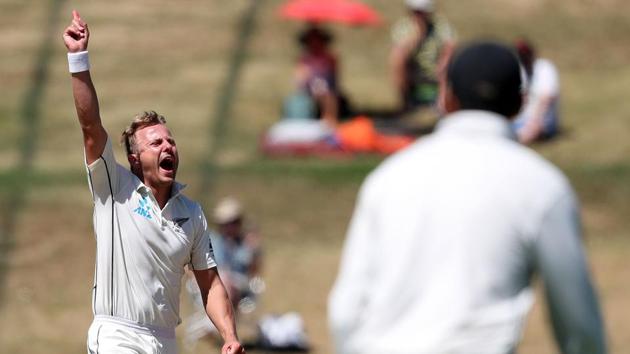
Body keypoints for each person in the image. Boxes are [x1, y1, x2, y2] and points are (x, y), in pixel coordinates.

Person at [328, 41, 607, 354]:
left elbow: (346, 309)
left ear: (447, 99)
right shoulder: (542, 186)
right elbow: (579, 325)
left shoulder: (387, 178)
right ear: (520, 102)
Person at [62, 10, 245, 354]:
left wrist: (229, 336)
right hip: (117, 334)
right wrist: (78, 58)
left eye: (170, 141)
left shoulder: (192, 214)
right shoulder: (114, 187)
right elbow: (90, 127)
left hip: (163, 341)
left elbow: (210, 283)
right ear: (134, 159)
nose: (168, 146)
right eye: (156, 143)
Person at [390, 0, 456, 112]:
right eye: (415, 11)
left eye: (421, 11)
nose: (418, 15)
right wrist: (418, 37)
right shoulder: (403, 27)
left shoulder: (440, 26)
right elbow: (400, 52)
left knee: (447, 62)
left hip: (436, 73)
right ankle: (407, 102)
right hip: (414, 73)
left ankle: (442, 103)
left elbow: (450, 46)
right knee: (398, 59)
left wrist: (443, 63)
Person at [293, 26, 347, 127]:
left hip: (327, 91)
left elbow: (335, 79)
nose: (315, 44)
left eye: (318, 40)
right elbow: (299, 81)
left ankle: (330, 123)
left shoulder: (330, 59)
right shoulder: (304, 60)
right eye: (312, 41)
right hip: (309, 91)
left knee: (329, 97)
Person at [513, 38, 561, 144]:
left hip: (543, 122)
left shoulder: (544, 68)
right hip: (521, 121)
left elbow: (547, 98)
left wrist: (535, 122)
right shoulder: (520, 70)